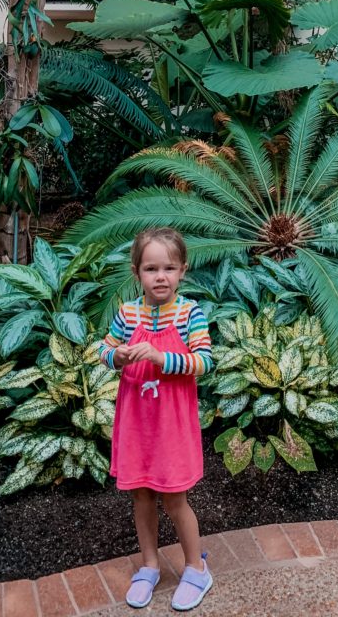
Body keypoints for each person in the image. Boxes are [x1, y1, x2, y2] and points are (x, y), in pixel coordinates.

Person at [98, 227, 214, 611]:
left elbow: (204, 361)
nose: (160, 276)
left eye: (168, 267)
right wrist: (115, 357)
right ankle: (149, 564)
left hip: (171, 426)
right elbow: (104, 347)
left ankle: (195, 568)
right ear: (137, 273)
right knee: (142, 495)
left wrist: (160, 358)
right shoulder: (128, 313)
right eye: (150, 268)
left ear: (183, 270)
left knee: (175, 498)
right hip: (137, 424)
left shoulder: (188, 313)